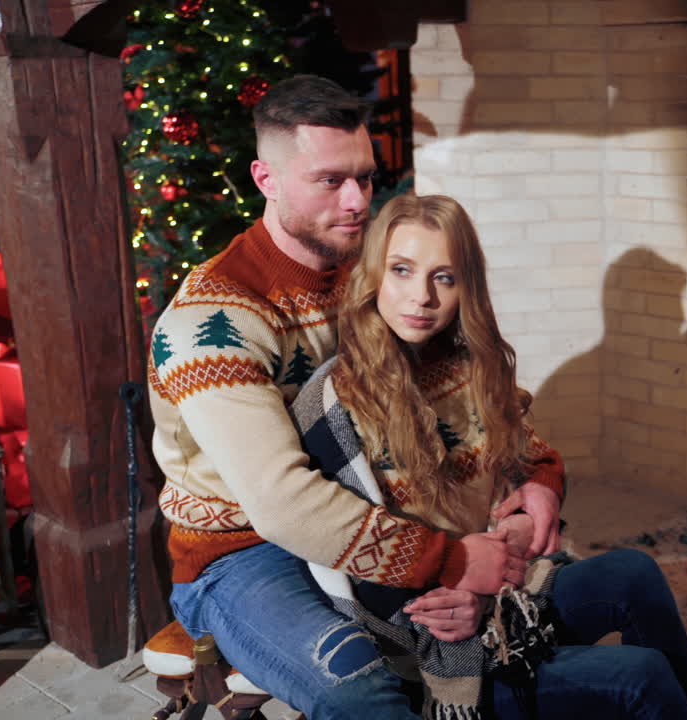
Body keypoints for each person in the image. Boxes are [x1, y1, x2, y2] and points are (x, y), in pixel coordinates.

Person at [149, 76, 505, 720]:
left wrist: (535, 475)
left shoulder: (371, 272)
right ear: (267, 179)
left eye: (365, 179)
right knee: (363, 687)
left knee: (492, 627)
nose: (356, 201)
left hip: (373, 499)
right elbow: (283, 503)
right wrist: (447, 559)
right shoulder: (210, 323)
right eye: (330, 180)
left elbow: (464, 385)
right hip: (241, 552)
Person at [291, 192, 687, 719]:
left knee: (634, 573)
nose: (421, 296)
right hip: (433, 642)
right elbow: (348, 561)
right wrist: (457, 602)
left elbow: (530, 459)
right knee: (640, 679)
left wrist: (540, 490)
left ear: (466, 286)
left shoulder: (471, 366)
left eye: (444, 277)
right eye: (402, 270)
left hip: (505, 597)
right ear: (375, 274)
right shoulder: (334, 402)